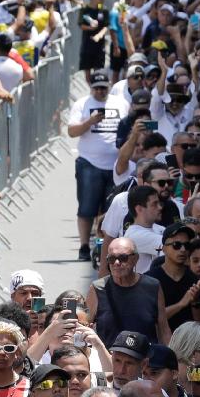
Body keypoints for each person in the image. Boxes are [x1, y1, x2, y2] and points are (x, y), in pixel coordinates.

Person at [70, 69, 123, 260]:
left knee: (110, 210)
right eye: (97, 88)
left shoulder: (120, 103)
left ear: (109, 86)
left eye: (103, 88)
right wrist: (89, 121)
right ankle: (84, 246)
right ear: (91, 88)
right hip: (89, 163)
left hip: (116, 165)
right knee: (87, 208)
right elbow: (72, 131)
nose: (100, 91)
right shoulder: (82, 104)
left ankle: (106, 246)